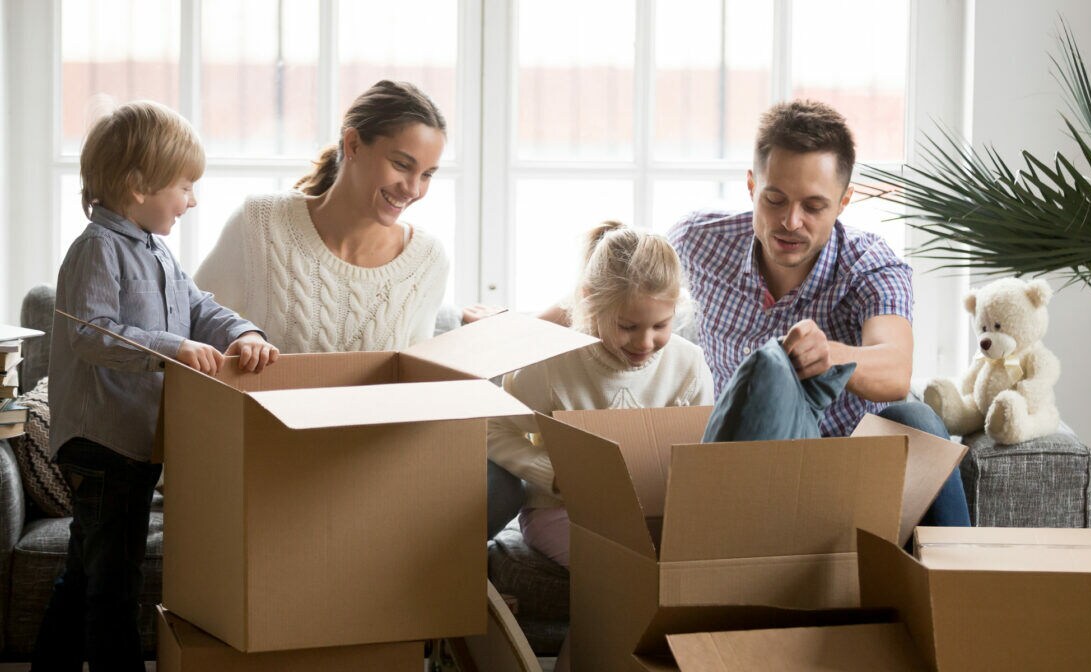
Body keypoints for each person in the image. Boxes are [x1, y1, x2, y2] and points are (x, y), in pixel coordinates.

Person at [32, 101, 279, 671]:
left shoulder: (155, 250)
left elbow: (199, 306)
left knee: (86, 571)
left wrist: (243, 332)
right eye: (185, 187)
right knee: (115, 583)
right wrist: (173, 348)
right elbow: (90, 332)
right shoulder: (98, 248)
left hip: (135, 442)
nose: (192, 201)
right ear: (139, 185)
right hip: (102, 443)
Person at [668, 99, 970, 526]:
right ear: (752, 186)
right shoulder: (697, 241)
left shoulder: (870, 266)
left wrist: (829, 355)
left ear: (844, 201)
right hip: (741, 471)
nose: (791, 222)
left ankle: (955, 567)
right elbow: (620, 293)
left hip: (845, 483)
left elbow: (895, 369)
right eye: (775, 199)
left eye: (813, 207)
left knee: (916, 418)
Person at [487, 221, 715, 567]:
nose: (645, 342)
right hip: (561, 512)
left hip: (654, 511)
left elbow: (702, 453)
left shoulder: (689, 364)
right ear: (589, 302)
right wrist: (552, 473)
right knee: (628, 570)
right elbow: (491, 428)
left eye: (660, 325)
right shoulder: (552, 365)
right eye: (627, 326)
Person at [194, 80, 449, 353]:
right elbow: (191, 324)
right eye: (401, 164)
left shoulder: (427, 260)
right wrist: (239, 339)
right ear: (353, 145)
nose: (413, 189)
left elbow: (416, 371)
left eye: (427, 175)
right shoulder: (261, 224)